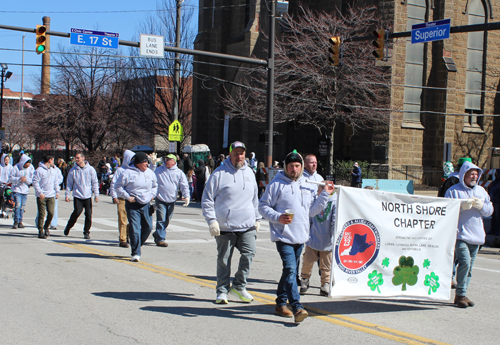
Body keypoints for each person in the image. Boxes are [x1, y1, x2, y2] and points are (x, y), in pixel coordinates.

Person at [259, 150, 334, 323]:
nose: (294, 169)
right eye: (291, 166)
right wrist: (278, 217)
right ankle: (297, 306)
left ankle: (279, 303)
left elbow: (312, 211)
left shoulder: (308, 184)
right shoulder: (276, 185)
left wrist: (324, 194)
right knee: (292, 270)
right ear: (285, 167)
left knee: (288, 271)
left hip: (301, 236)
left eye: (297, 166)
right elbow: (263, 206)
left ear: (301, 167)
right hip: (282, 235)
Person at [202, 141, 261, 304]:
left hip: (247, 225)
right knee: (224, 259)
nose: (239, 156)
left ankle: (239, 286)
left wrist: (257, 218)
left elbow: (254, 198)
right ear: (230, 154)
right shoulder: (219, 174)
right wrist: (211, 220)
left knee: (249, 253)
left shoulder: (249, 172)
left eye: (242, 153)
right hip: (225, 226)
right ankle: (222, 290)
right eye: (236, 153)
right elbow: (207, 199)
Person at [445, 161, 493, 308]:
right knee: (464, 262)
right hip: (460, 235)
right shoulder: (453, 191)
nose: (474, 176)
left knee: (469, 268)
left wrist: (482, 206)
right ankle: (460, 294)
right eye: (471, 173)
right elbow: (445, 210)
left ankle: (461, 294)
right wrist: (460, 206)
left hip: (477, 235)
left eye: (476, 173)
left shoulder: (481, 191)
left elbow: (489, 210)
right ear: (464, 175)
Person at [114, 152, 158, 262]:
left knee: (148, 228)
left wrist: (152, 195)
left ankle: (137, 244)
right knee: (135, 228)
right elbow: (118, 186)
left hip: (146, 204)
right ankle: (136, 252)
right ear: (138, 163)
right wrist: (127, 197)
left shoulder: (150, 173)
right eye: (144, 162)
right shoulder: (127, 173)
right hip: (133, 204)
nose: (147, 164)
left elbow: (155, 186)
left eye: (147, 162)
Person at [300, 181, 337, 296]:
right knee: (307, 262)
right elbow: (309, 217)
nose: (316, 192)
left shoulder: (334, 203)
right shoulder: (315, 202)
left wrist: (334, 237)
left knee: (326, 265)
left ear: (324, 190)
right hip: (313, 239)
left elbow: (334, 221)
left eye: (318, 190)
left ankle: (325, 284)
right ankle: (305, 280)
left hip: (327, 242)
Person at [153, 154, 190, 247]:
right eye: (166, 159)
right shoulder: (159, 170)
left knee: (167, 219)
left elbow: (184, 185)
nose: (167, 161)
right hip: (160, 198)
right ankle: (161, 239)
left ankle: (157, 234)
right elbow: (151, 179)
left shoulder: (179, 172)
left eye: (169, 160)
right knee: (161, 218)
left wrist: (187, 196)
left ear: (174, 162)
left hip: (171, 199)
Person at [64, 152, 100, 239]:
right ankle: (69, 226)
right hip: (77, 195)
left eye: (78, 158)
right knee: (77, 212)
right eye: (75, 158)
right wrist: (67, 194)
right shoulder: (73, 170)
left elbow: (95, 182)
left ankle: (86, 231)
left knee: (88, 214)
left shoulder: (90, 169)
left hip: (87, 196)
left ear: (83, 158)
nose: (76, 160)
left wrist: (96, 194)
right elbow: (69, 183)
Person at [110, 150, 135, 248]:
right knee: (122, 219)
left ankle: (128, 232)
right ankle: (123, 239)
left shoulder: (135, 170)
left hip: (133, 198)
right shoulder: (120, 170)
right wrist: (114, 196)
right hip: (121, 198)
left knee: (133, 219)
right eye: (131, 159)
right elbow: (113, 184)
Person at [32, 154, 60, 239]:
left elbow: (56, 182)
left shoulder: (53, 170)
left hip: (51, 195)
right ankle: (40, 231)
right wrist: (40, 192)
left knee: (51, 212)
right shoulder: (39, 170)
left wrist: (57, 191)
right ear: (50, 160)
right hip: (42, 196)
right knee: (41, 213)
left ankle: (46, 226)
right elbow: (35, 182)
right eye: (53, 160)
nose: (53, 162)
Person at [9, 154, 33, 229]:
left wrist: (26, 180)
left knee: (22, 207)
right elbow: (11, 178)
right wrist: (19, 179)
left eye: (29, 163)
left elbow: (32, 178)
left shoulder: (31, 168)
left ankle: (20, 221)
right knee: (17, 205)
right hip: (17, 189)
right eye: (26, 163)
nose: (28, 165)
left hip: (25, 190)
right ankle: (16, 221)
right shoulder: (16, 167)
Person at [49, 160, 64, 230]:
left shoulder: (57, 170)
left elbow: (61, 178)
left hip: (54, 191)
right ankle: (39, 222)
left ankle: (53, 224)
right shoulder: (41, 169)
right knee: (43, 209)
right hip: (45, 192)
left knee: (54, 208)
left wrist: (55, 183)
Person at [0, 153, 13, 218]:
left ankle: (5, 208)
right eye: (5, 159)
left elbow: (12, 175)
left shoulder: (11, 167)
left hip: (8, 185)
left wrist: (10, 182)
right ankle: (0, 209)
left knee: (8, 195)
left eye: (8, 159)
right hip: (1, 185)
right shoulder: (0, 167)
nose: (7, 161)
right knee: (1, 196)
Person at [488, 169, 500, 235]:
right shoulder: (495, 182)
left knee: (497, 217)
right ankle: (493, 229)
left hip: (498, 201)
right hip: (493, 201)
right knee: (493, 216)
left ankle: (497, 230)